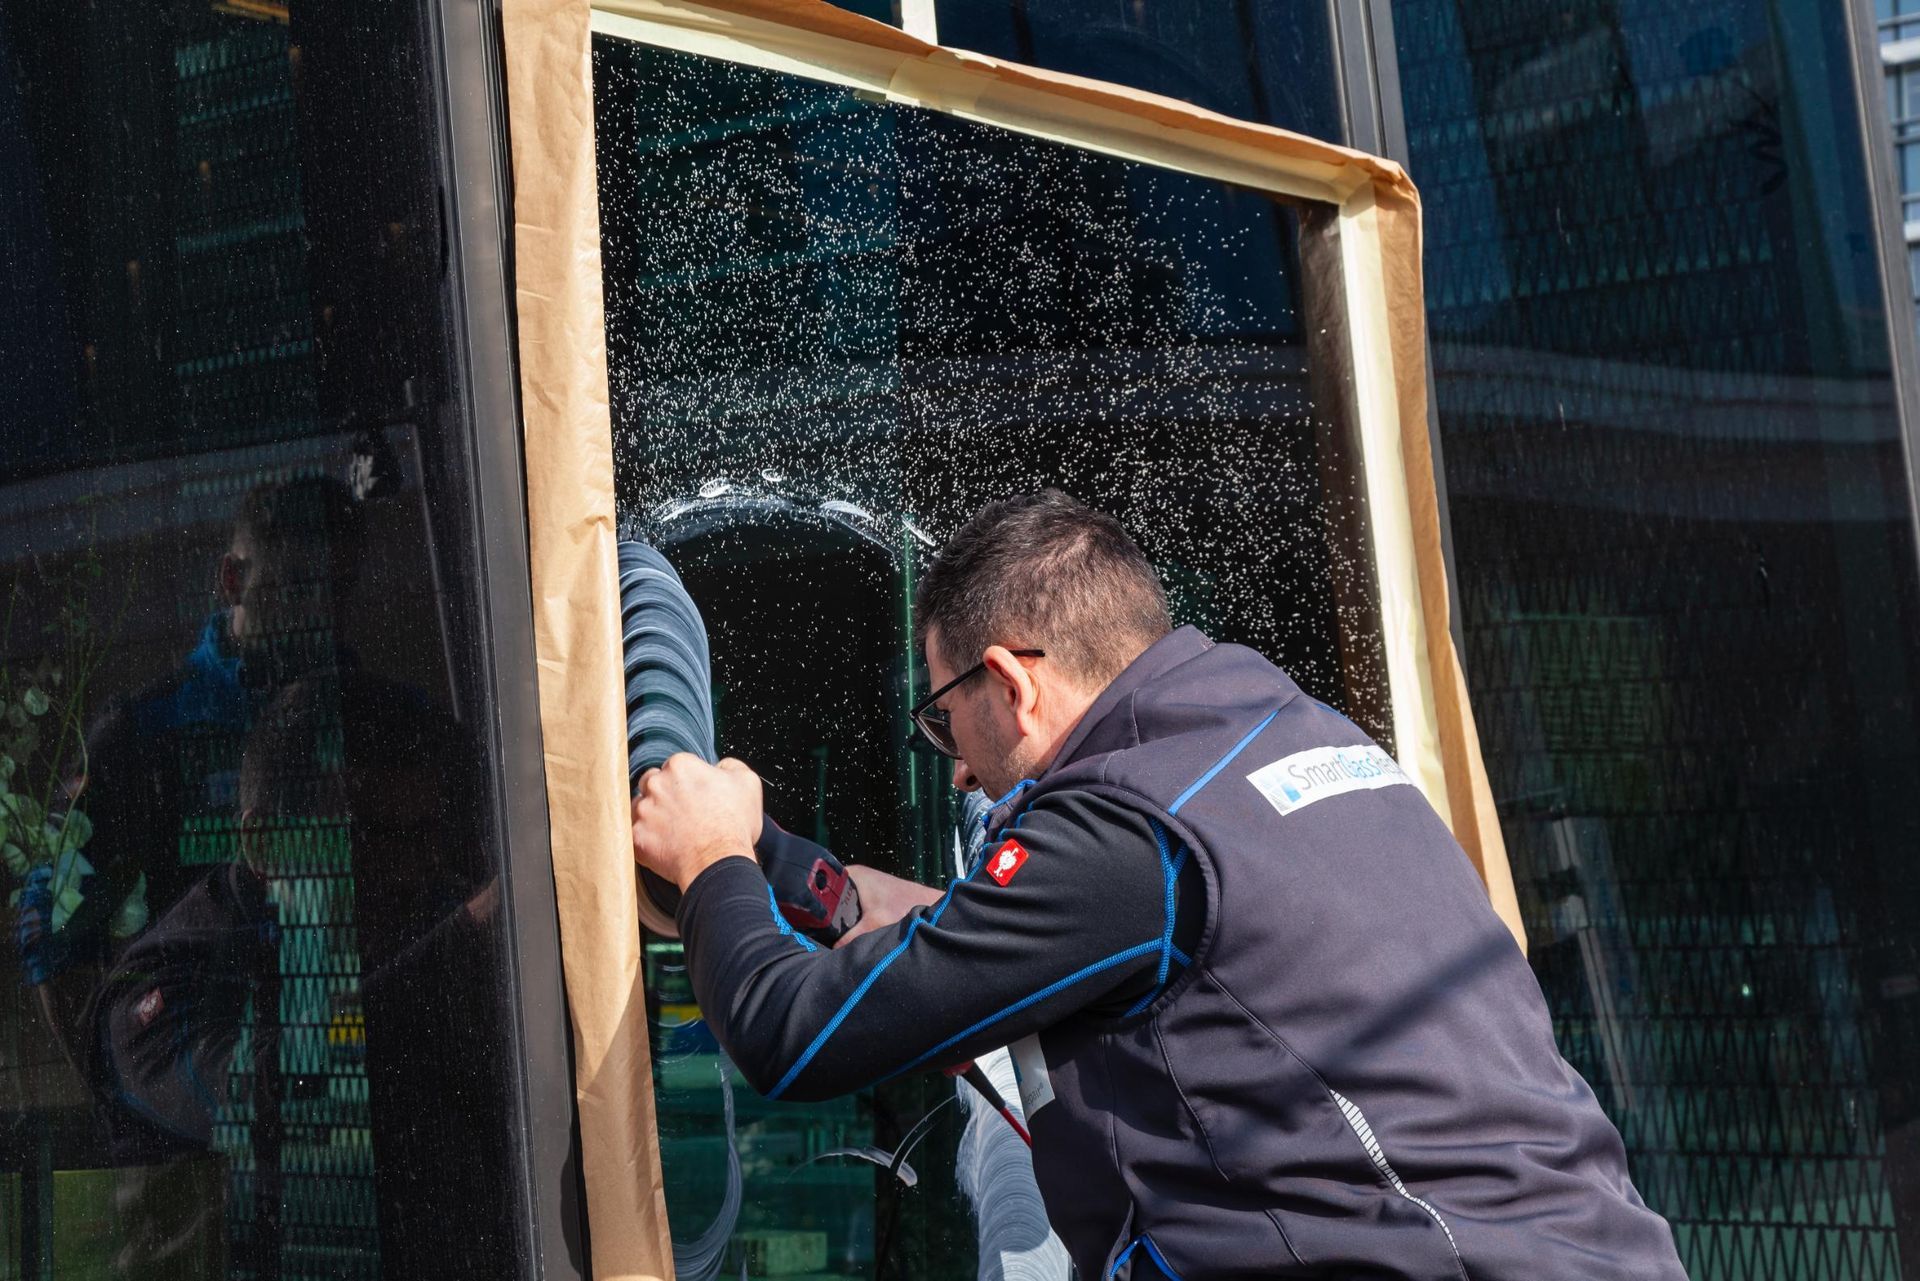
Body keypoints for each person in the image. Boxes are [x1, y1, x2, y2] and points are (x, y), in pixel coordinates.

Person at [631, 490, 1688, 1280]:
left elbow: (792, 1036)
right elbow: (1127, 948)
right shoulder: (1287, 740)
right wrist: (780, 861)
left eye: (944, 720)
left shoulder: (1124, 834)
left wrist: (711, 857)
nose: (953, 771)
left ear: (1012, 681)